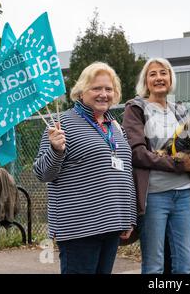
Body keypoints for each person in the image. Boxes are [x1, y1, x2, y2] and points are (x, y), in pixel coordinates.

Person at [33, 62, 136, 274]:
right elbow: (43, 173)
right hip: (79, 228)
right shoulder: (61, 125)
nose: (103, 94)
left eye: (108, 89)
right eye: (96, 88)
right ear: (81, 92)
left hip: (112, 223)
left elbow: (125, 173)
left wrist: (128, 216)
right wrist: (56, 149)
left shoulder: (115, 126)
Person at [122, 58, 190, 274]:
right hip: (154, 196)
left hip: (183, 195)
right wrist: (177, 165)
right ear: (145, 80)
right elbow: (137, 154)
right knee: (154, 266)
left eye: (163, 73)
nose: (159, 78)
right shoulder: (136, 108)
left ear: (170, 78)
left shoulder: (181, 111)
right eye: (153, 74)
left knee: (186, 266)